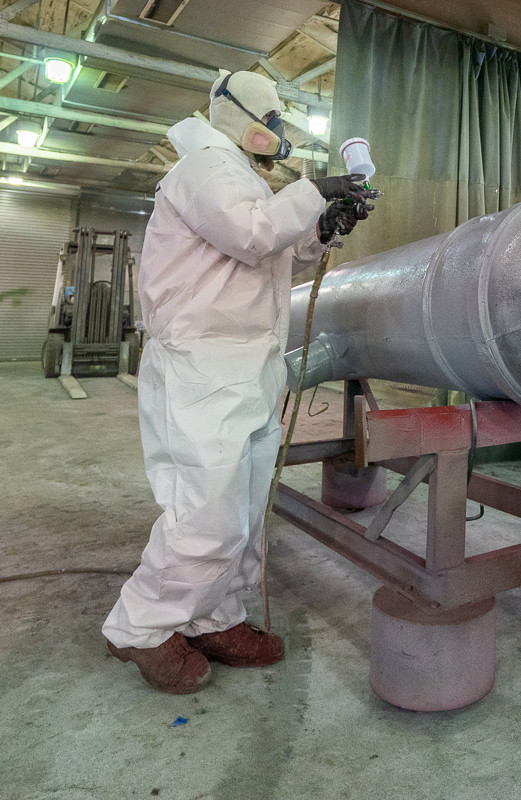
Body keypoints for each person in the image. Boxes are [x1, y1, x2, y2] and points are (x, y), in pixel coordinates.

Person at [102, 69, 370, 694]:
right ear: (240, 116)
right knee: (207, 508)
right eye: (272, 118)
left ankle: (215, 615)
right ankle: (139, 626)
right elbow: (251, 234)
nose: (277, 131)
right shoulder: (202, 168)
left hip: (248, 364)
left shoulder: (242, 180)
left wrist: (322, 228)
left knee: (245, 505)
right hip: (203, 364)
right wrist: (313, 190)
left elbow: (274, 249)